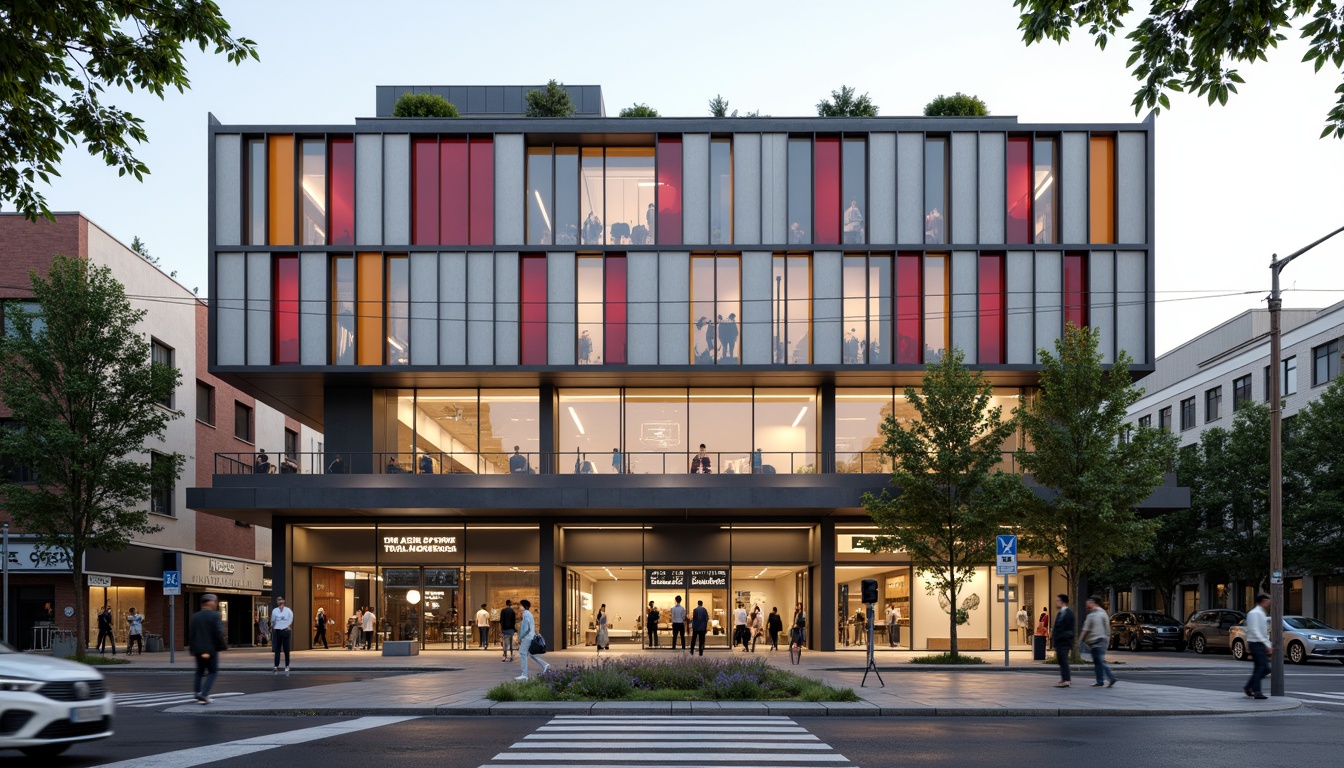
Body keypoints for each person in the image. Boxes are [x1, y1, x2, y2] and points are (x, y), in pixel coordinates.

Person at [190, 594, 227, 704]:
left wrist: (192, 649)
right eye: (215, 601)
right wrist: (222, 645)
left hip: (198, 649)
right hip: (210, 649)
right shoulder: (215, 615)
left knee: (199, 672)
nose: (216, 604)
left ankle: (197, 692)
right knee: (213, 672)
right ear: (209, 603)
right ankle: (204, 694)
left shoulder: (195, 616)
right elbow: (219, 632)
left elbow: (192, 634)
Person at [1079, 596, 1116, 688]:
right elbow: (1107, 628)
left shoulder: (1092, 615)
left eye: (1087, 603)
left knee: (1099, 660)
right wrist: (1108, 638)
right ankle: (1100, 680)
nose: (1086, 605)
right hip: (1103, 639)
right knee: (1098, 661)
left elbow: (1085, 629)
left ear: (1092, 603)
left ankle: (1110, 677)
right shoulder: (1103, 613)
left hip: (1095, 640)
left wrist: (1080, 641)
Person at [1244, 593, 1273, 700]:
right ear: (1263, 601)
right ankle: (1256, 691)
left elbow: (1263, 632)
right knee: (1263, 667)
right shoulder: (1254, 613)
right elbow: (1255, 630)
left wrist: (1267, 644)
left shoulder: (1260, 613)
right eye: (1267, 601)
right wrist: (1267, 645)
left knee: (1261, 668)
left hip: (1259, 643)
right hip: (1255, 643)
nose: (1268, 603)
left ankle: (1249, 687)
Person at [516, 598, 550, 680]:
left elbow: (525, 628)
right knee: (529, 654)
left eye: (521, 605)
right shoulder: (529, 614)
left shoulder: (526, 614)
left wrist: (520, 637)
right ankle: (544, 664)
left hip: (526, 638)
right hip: (530, 636)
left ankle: (524, 674)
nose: (520, 607)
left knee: (523, 654)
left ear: (525, 606)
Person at [1051, 594, 1075, 687]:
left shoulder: (1067, 613)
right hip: (1061, 640)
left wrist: (1062, 638)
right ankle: (1064, 678)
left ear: (1062, 602)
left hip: (1064, 640)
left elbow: (1067, 628)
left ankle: (1067, 680)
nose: (1056, 603)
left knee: (1063, 660)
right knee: (1061, 660)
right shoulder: (1061, 612)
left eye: (1057, 601)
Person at [271, 595, 294, 673]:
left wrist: (288, 626)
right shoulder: (274, 611)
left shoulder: (288, 611)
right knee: (277, 649)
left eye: (281, 600)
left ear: (284, 601)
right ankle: (276, 665)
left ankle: (287, 665)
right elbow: (273, 620)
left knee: (286, 650)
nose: (280, 602)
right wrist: (272, 627)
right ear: (277, 602)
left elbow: (290, 619)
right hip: (277, 632)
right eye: (278, 600)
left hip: (285, 631)